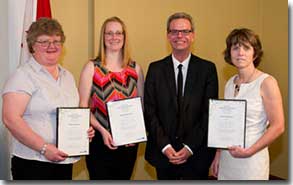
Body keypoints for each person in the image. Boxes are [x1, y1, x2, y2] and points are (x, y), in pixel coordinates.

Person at [1, 18, 95, 180]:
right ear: (32, 46)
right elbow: (10, 119)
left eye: (56, 41)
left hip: (64, 161)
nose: (52, 46)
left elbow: (71, 114)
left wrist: (84, 131)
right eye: (44, 41)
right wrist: (44, 148)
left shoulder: (68, 77)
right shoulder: (22, 76)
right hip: (33, 162)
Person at [144, 12, 218, 180]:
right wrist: (165, 146)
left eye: (185, 31)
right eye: (174, 31)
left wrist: (190, 147)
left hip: (197, 155)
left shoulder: (207, 70)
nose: (179, 36)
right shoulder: (155, 69)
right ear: (168, 36)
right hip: (164, 155)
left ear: (193, 36)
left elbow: (209, 113)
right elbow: (150, 111)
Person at [210, 28, 285, 180]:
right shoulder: (230, 83)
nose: (240, 53)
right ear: (229, 53)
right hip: (228, 158)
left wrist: (249, 151)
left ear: (255, 53)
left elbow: (278, 126)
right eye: (235, 48)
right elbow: (225, 122)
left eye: (246, 47)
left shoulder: (267, 82)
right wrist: (218, 153)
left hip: (252, 159)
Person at [78, 16, 144, 180]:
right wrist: (102, 130)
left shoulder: (135, 68)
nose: (114, 37)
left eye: (118, 33)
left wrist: (135, 133)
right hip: (100, 141)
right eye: (109, 33)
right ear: (103, 37)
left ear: (124, 37)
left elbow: (141, 105)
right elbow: (82, 106)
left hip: (128, 142)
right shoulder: (92, 67)